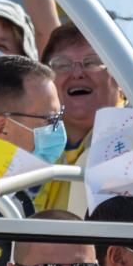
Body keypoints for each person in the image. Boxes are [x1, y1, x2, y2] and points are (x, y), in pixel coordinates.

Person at [39, 24, 120, 213]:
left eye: (91, 62)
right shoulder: (29, 143)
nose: (77, 73)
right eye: (62, 64)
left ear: (120, 77)